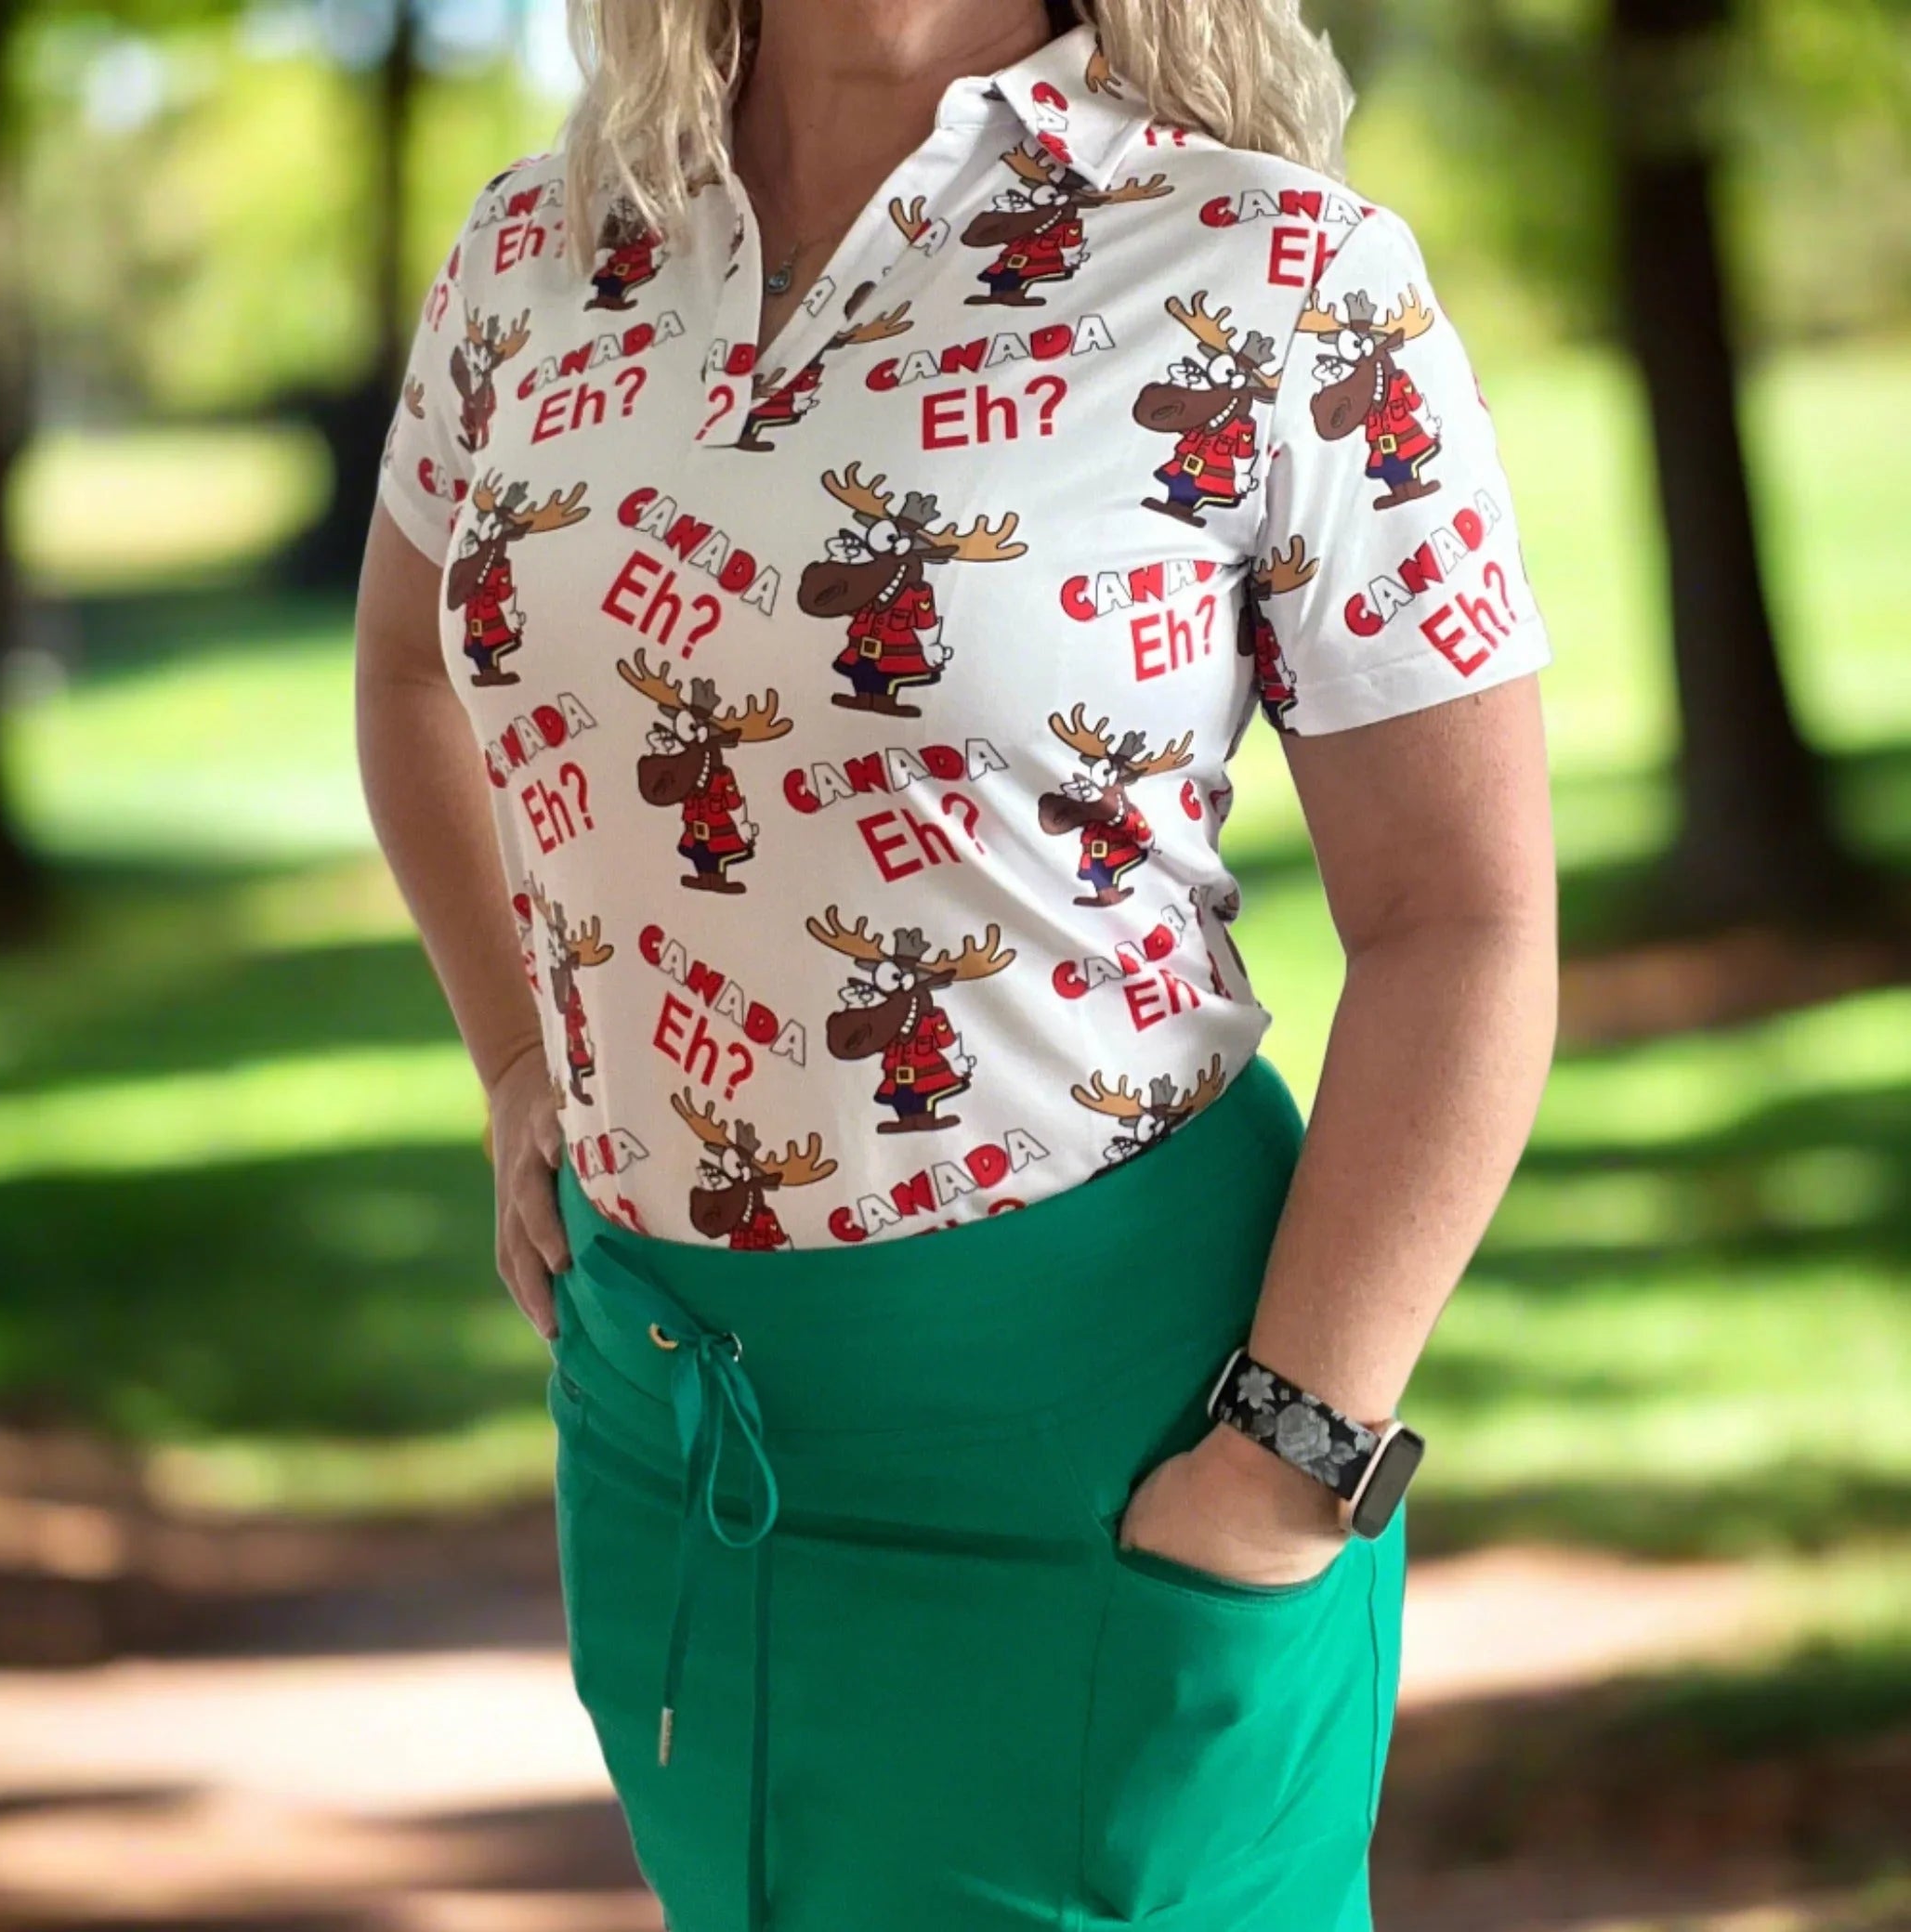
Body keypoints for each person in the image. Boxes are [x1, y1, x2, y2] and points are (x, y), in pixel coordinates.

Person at [353, 1, 1559, 1926]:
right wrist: (519, 1062)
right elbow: (417, 664)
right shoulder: (533, 253)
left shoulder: (1279, 271)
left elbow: (1464, 920)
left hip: (1122, 1434)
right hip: (668, 1414)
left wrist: (1284, 1450)